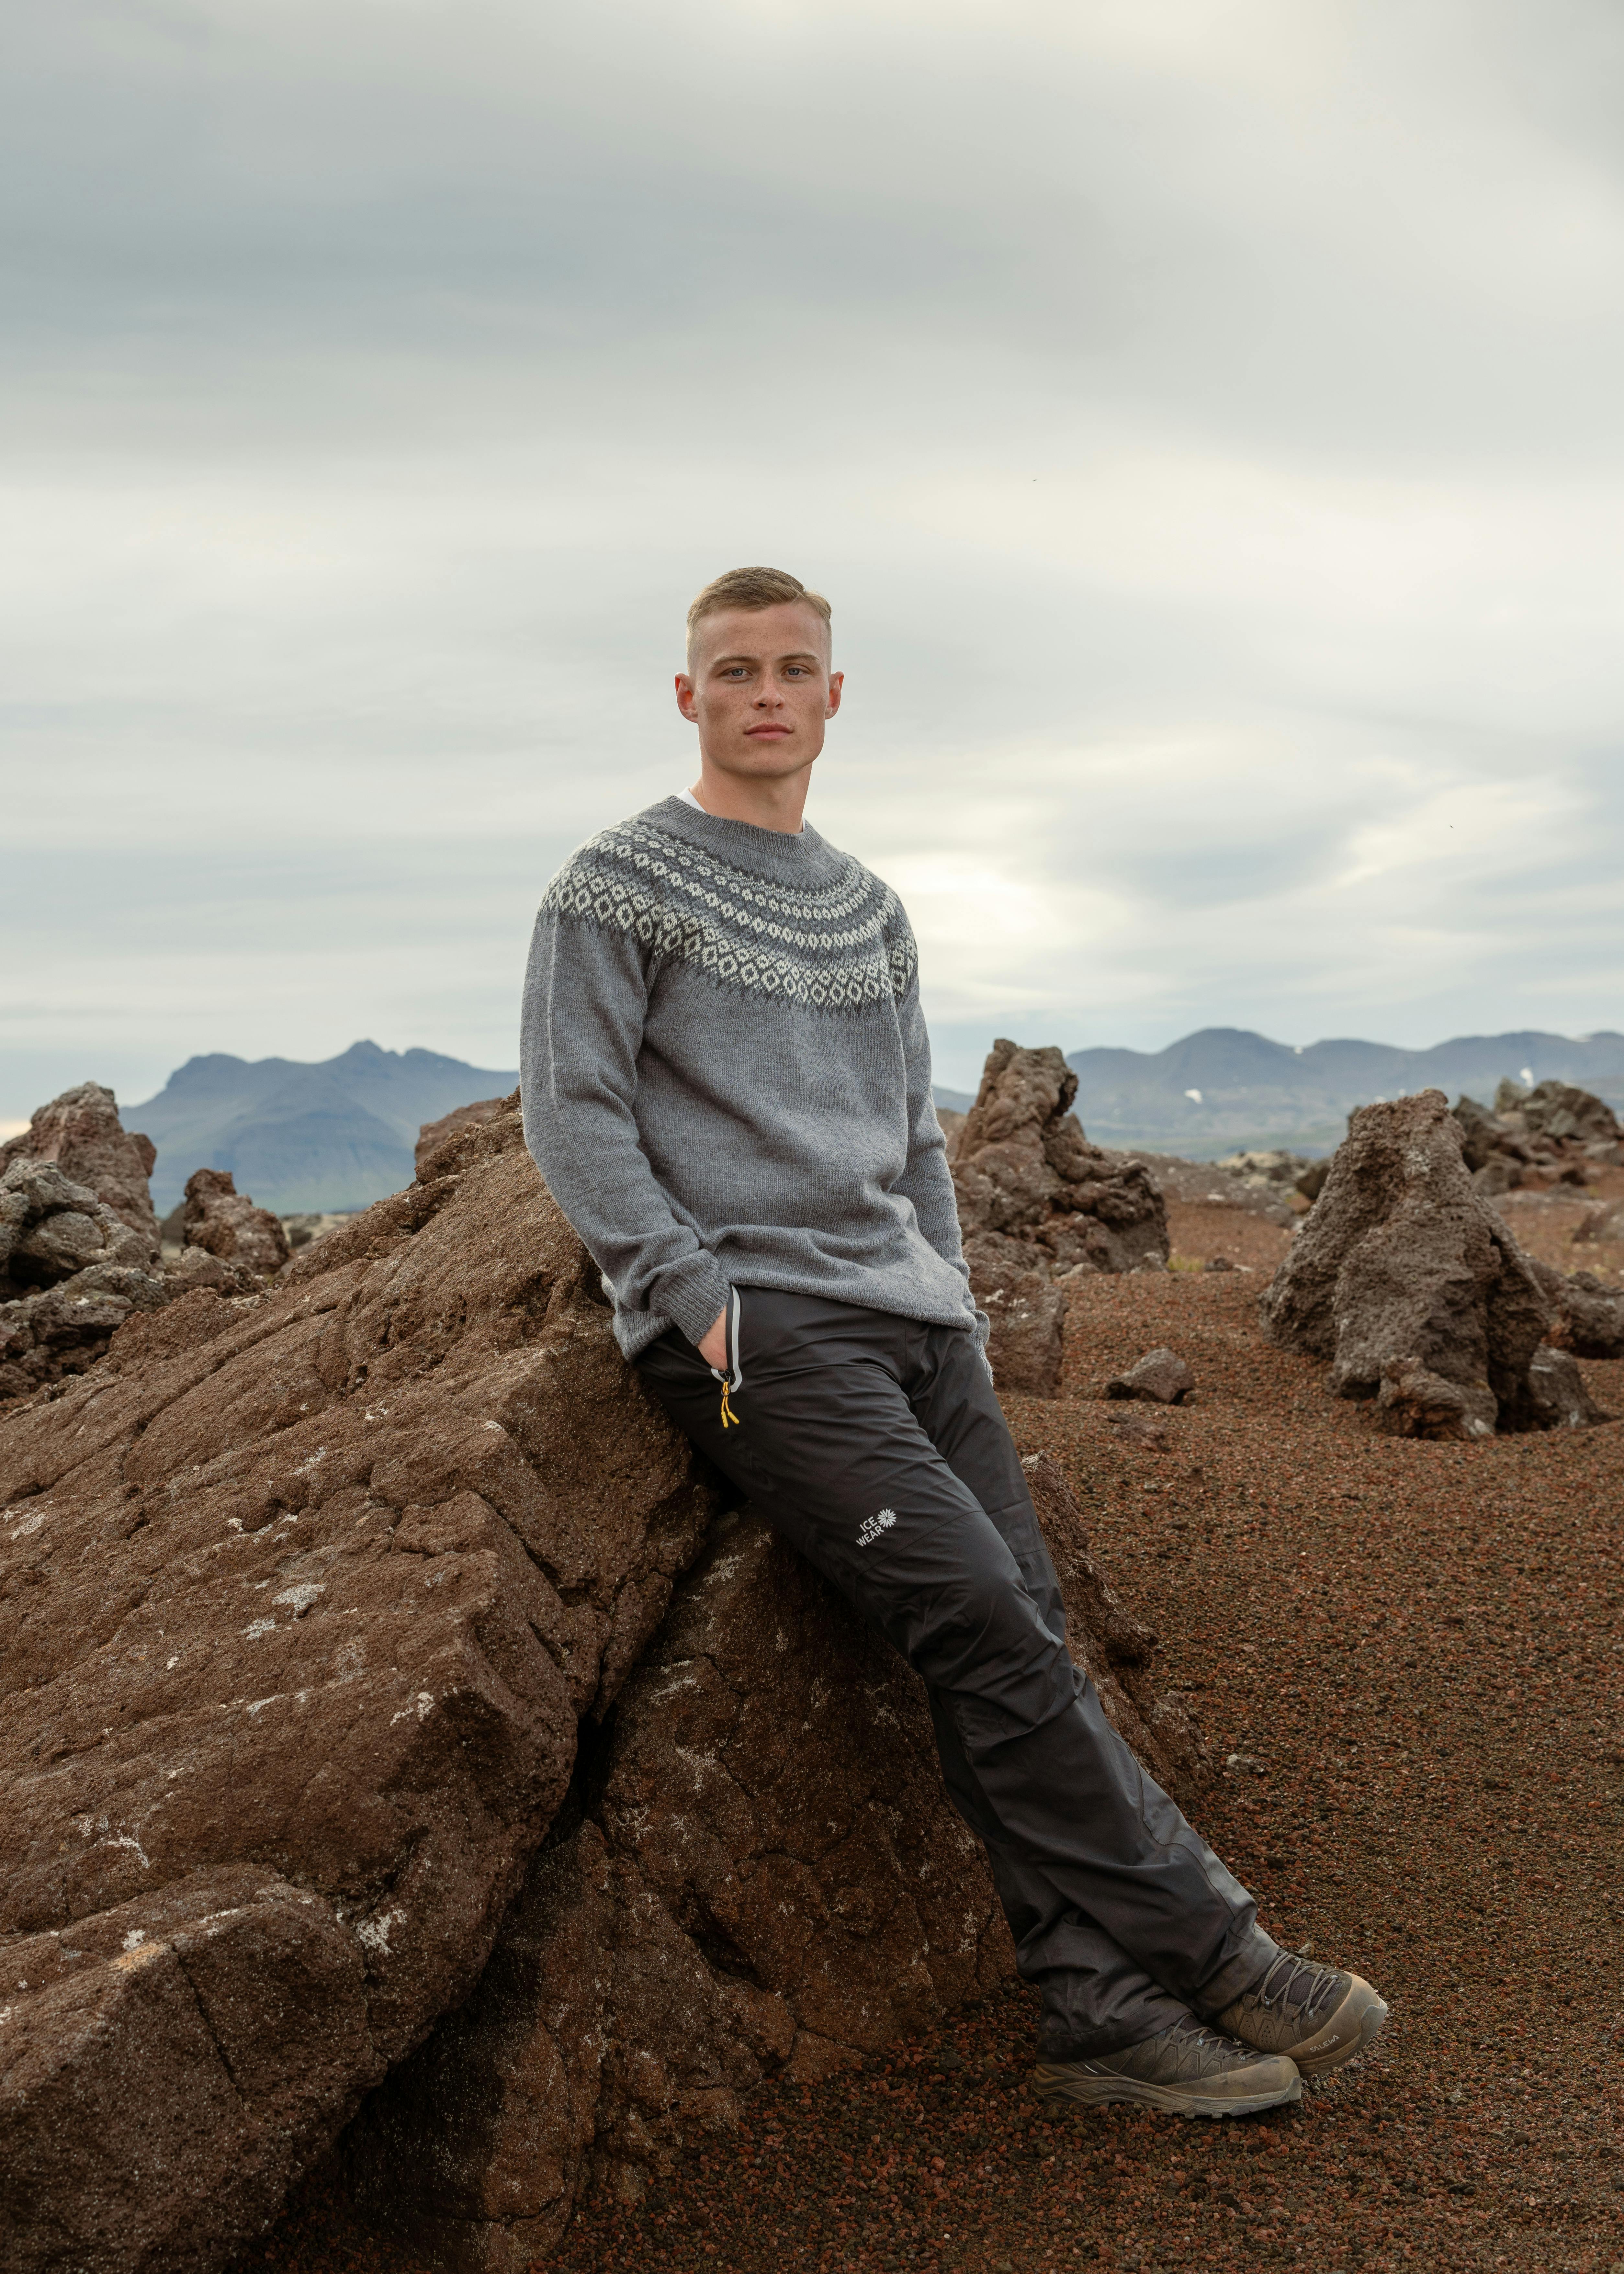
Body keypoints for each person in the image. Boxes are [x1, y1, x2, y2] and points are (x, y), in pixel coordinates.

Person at [520, 564, 1386, 2118]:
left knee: (1021, 1632)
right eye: (735, 672)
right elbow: (571, 1107)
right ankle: (1222, 1949)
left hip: (913, 1325)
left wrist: (957, 1296)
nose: (766, 693)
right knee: (981, 1612)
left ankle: (1096, 2006)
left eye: (795, 669)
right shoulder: (614, 884)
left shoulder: (872, 909)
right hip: (751, 1337)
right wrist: (685, 1287)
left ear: (834, 697)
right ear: (688, 696)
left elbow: (915, 1135)